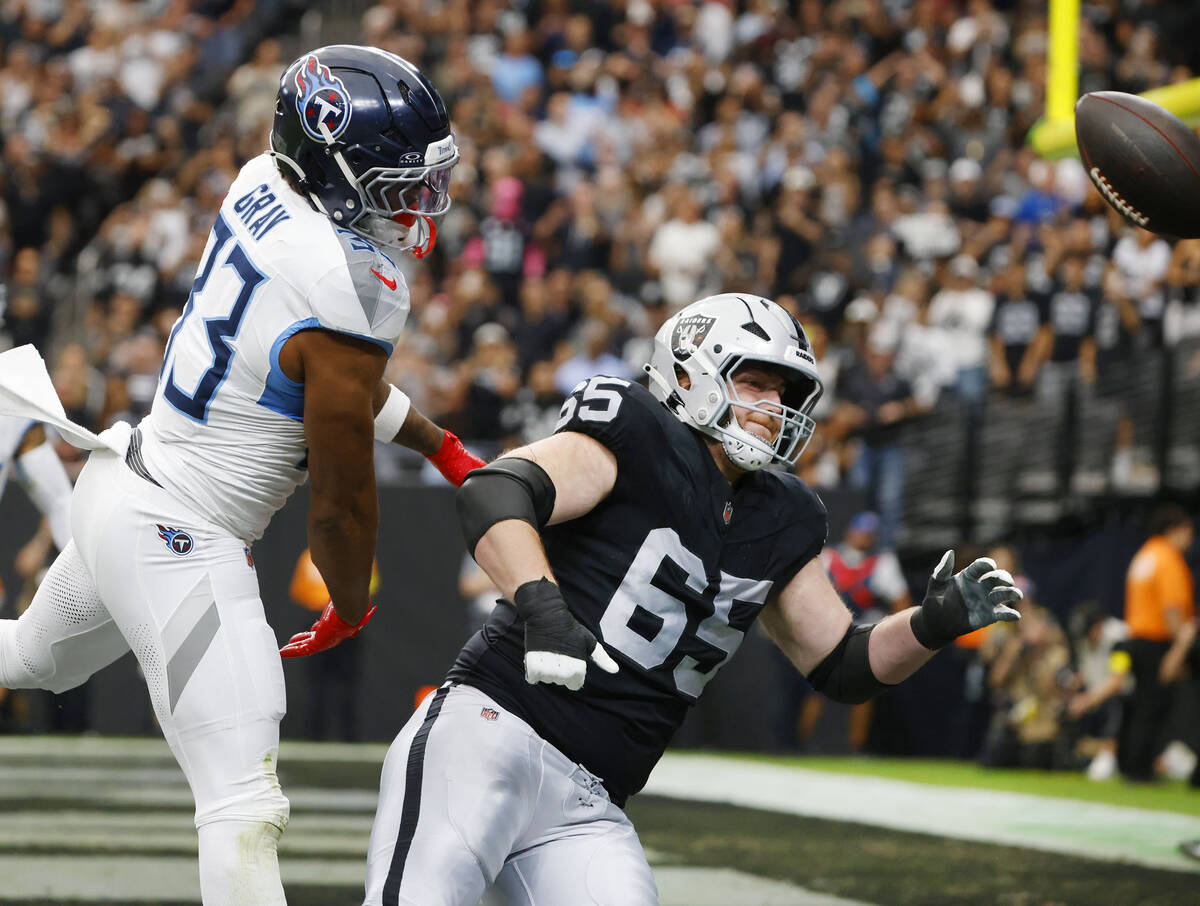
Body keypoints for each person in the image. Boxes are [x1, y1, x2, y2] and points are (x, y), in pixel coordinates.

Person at [0, 46, 484, 904]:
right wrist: (349, 598)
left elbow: (311, 375)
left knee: (31, 659)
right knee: (243, 803)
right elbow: (339, 492)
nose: (417, 200)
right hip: (179, 538)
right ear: (337, 163)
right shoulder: (349, 288)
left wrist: (442, 447)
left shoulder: (264, 178)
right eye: (397, 180)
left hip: (124, 483)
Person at [363, 293, 1022, 905]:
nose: (774, 405)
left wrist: (933, 623)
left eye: (786, 391)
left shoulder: (783, 515)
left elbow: (842, 664)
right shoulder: (635, 430)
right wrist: (543, 608)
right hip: (492, 733)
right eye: (756, 382)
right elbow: (497, 491)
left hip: (591, 801)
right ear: (689, 373)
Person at [1120, 503, 1194, 781]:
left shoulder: (1144, 556)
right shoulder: (1168, 558)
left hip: (1135, 639)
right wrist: (1180, 648)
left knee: (1139, 706)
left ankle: (1130, 764)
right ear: (1174, 530)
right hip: (1156, 642)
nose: (1190, 540)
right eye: (1188, 532)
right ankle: (1141, 768)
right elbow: (1173, 608)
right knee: (1154, 708)